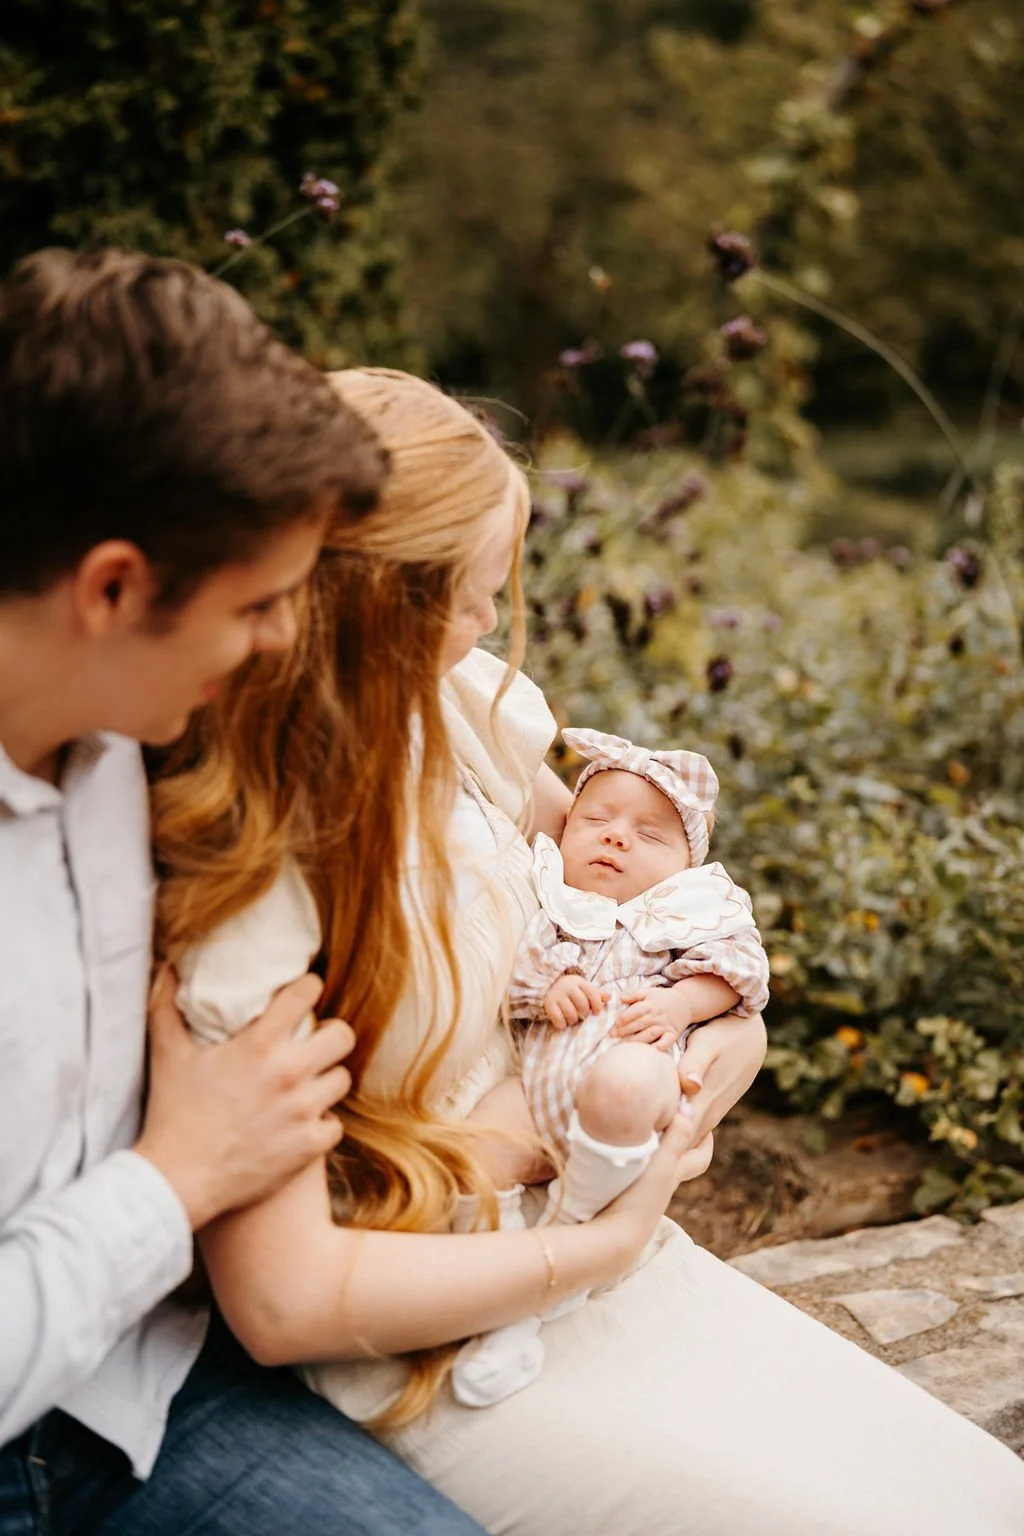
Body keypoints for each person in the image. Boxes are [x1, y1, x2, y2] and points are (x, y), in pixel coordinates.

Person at [159, 367, 1024, 1536]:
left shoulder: (456, 713)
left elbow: (646, 910)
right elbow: (284, 1288)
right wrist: (585, 1202)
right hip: (445, 1342)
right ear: (378, 604)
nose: (488, 628)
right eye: (474, 596)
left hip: (611, 1256)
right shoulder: (258, 869)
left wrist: (716, 1030)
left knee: (977, 1497)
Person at [0, 249, 492, 1536]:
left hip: (149, 1392)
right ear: (111, 588)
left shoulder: (142, 728)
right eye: (262, 604)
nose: (288, 638)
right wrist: (180, 1176)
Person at [449, 725, 771, 1409]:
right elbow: (518, 976)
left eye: (649, 835)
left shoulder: (692, 910)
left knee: (625, 1085)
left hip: (637, 1065)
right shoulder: (557, 907)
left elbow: (740, 972)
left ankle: (567, 1237)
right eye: (595, 819)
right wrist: (549, 991)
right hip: (539, 1086)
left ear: (687, 863)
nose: (616, 836)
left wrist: (683, 1004)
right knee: (478, 1142)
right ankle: (502, 1282)